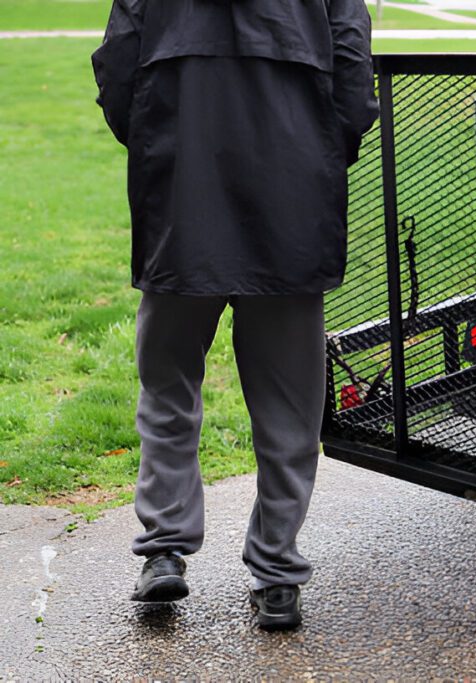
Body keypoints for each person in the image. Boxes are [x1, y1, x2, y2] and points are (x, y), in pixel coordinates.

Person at [91, 0, 378, 630]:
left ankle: (164, 549)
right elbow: (355, 81)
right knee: (290, 409)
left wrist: (158, 144)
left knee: (168, 386)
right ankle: (277, 574)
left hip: (181, 201)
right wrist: (318, 154)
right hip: (292, 206)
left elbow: (117, 72)